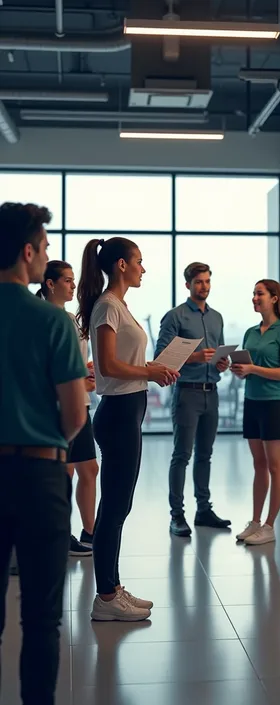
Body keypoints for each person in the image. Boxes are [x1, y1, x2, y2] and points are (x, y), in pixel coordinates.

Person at [0, 202, 87, 705]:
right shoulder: (52, 322)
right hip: (39, 476)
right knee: (41, 617)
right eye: (46, 247)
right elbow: (75, 416)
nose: (48, 255)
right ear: (28, 251)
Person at [77, 237, 179, 621]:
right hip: (118, 412)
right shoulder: (107, 306)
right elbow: (107, 366)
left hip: (128, 408)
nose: (143, 267)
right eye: (138, 261)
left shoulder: (119, 306)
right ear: (121, 265)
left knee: (119, 505)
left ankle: (112, 587)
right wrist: (149, 371)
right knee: (115, 506)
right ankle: (105, 597)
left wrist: (155, 366)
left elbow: (125, 361)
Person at [155, 262, 231, 538]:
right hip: (186, 392)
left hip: (213, 392)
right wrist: (196, 357)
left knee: (205, 455)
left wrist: (221, 363)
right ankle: (177, 515)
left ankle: (203, 510)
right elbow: (161, 357)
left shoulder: (217, 317)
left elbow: (218, 355)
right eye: (199, 282)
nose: (204, 286)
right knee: (182, 455)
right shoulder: (174, 317)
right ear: (188, 284)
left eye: (208, 281)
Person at [36, 260, 99, 557]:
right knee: (66, 473)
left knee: (90, 468)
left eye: (74, 280)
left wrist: (86, 371)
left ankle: (90, 533)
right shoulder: (41, 318)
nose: (73, 285)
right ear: (50, 284)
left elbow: (75, 360)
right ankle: (60, 535)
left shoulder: (72, 319)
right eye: (68, 280)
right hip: (59, 406)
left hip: (81, 404)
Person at [232, 280, 280, 546]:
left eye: (259, 294)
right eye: (253, 293)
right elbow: (248, 369)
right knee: (259, 465)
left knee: (275, 465)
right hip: (252, 401)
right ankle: (255, 521)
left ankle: (269, 525)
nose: (254, 298)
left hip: (274, 404)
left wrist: (254, 370)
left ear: (274, 298)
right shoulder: (250, 332)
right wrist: (236, 368)